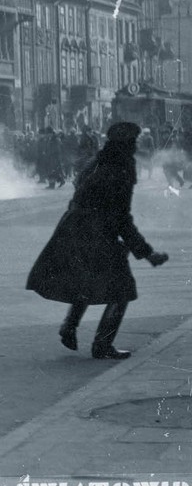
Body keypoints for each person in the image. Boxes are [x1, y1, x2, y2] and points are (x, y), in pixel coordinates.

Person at [27, 121, 169, 360]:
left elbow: (80, 194)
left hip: (74, 227)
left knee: (85, 281)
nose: (135, 147)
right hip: (97, 232)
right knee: (122, 289)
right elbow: (122, 217)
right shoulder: (122, 169)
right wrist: (147, 253)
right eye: (132, 142)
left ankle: (69, 326)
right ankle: (102, 344)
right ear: (125, 145)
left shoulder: (98, 161)